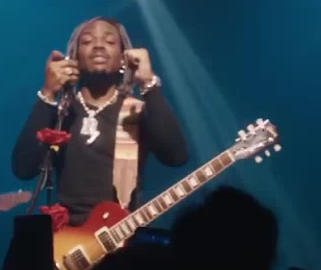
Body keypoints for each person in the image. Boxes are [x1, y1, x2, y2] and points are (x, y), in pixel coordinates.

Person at [10, 17, 188, 225]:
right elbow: (23, 169)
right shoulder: (61, 114)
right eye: (87, 41)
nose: (98, 46)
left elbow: (176, 157)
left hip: (121, 236)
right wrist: (48, 94)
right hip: (66, 239)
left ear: (124, 59)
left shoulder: (135, 111)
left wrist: (148, 83)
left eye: (110, 41)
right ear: (75, 58)